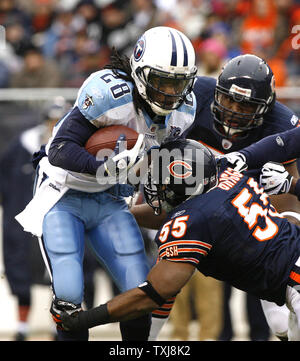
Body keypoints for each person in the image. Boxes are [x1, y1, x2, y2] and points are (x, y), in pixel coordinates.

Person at [15, 26, 198, 341]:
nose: (169, 93)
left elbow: (165, 163)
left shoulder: (183, 111)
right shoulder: (109, 95)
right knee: (69, 297)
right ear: (139, 73)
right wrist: (105, 166)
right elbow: (59, 149)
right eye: (161, 82)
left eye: (177, 84)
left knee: (139, 295)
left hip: (111, 199)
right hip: (64, 193)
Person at [56, 138, 300, 341]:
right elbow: (179, 214)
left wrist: (83, 320)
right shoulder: (226, 176)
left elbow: (150, 295)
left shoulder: (195, 219)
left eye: (159, 178)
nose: (154, 184)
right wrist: (121, 214)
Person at [183, 53, 300, 341]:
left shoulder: (282, 123)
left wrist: (285, 248)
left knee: (280, 323)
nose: (234, 109)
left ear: (266, 106)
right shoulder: (196, 94)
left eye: (246, 104)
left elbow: (288, 201)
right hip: (200, 211)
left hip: (251, 218)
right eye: (229, 99)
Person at [0, 98, 69, 341]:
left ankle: (56, 326)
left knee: (61, 274)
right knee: (20, 272)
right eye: (51, 120)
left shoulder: (73, 150)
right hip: (21, 220)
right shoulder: (22, 146)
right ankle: (21, 327)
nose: (53, 126)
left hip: (58, 220)